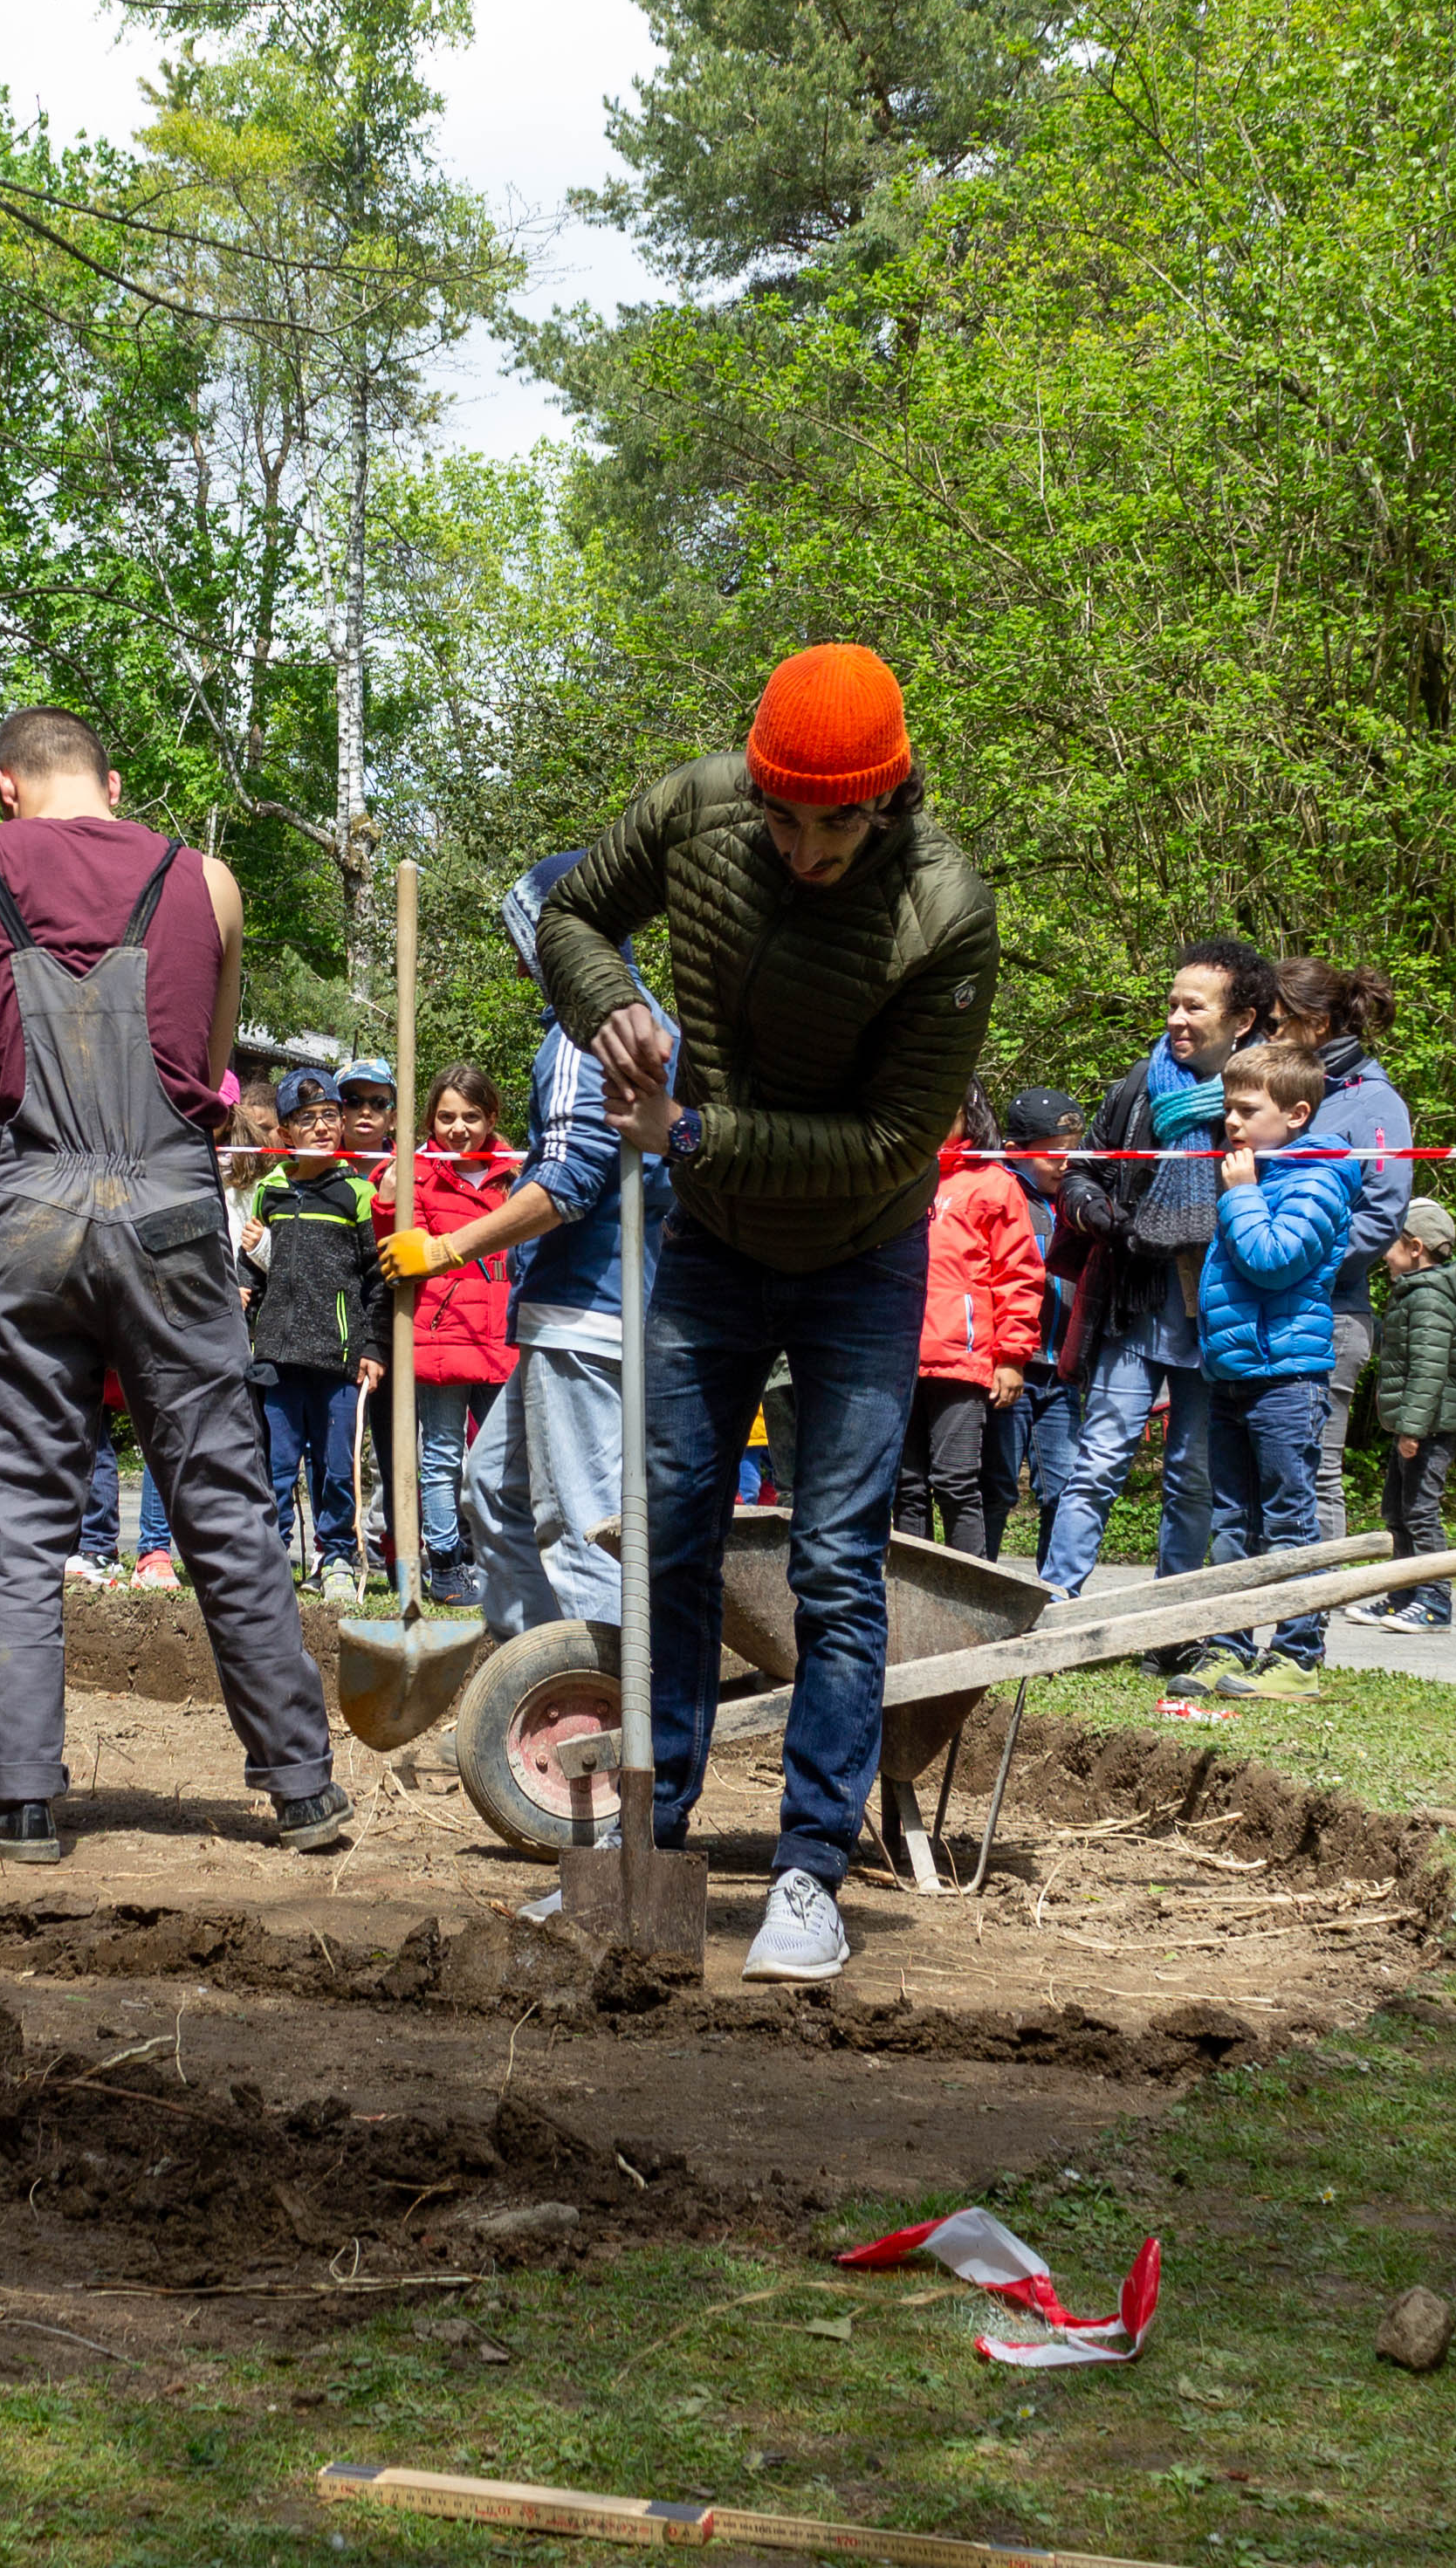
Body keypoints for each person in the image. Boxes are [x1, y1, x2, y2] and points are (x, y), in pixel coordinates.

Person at [536, 643, 998, 1982]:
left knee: (838, 1565)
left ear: (890, 800)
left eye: (836, 825)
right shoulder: (694, 808)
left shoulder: (944, 910)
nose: (805, 851)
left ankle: (807, 1875)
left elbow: (895, 1138)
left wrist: (690, 1130)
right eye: (784, 818)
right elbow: (569, 915)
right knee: (668, 1539)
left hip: (861, 1255)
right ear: (754, 781)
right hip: (714, 1247)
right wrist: (612, 999)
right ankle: (650, 1852)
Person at [0, 706, 348, 1864]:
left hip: (31, 1207)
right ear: (115, 778)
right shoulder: (211, 881)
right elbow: (206, 1062)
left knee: (22, 1512)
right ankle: (302, 1789)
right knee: (221, 1498)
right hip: (176, 1212)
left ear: (6, 787)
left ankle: (21, 1798)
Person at [405, 856, 670, 1638]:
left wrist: (447, 1250)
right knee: (495, 1490)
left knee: (581, 1523)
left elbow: (567, 1183)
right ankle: (525, 1684)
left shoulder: (581, 1037)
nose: (522, 965)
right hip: (609, 1312)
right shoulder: (651, 1021)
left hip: (585, 1315)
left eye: (530, 942)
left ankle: (603, 1725)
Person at [1039, 938, 1277, 1610]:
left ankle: (1170, 1617)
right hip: (1136, 1301)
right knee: (1097, 1461)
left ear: (1242, 1020)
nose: (1174, 1018)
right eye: (1170, 1003)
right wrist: (1097, 1214)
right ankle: (1054, 1600)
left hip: (1223, 1311)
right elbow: (1082, 1169)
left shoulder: (1265, 1094)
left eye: (1193, 1007)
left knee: (1191, 1475)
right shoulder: (1138, 1086)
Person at [1186, 1044, 1355, 1701]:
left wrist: (1242, 1195)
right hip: (1231, 1372)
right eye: (1228, 1107)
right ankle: (1228, 1645)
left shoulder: (1317, 1177)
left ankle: (1296, 1657)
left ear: (1296, 1113)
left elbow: (1272, 1260)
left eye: (1247, 1109)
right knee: (1230, 1519)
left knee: (1288, 1520)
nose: (1231, 1120)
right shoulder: (1254, 1173)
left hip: (1286, 1377)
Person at [1266, 960, 1411, 1540]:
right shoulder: (1281, 1091)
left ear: (1317, 1023)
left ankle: (1309, 1625)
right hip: (1265, 1313)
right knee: (1265, 1477)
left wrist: (1293, 1266)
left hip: (1331, 1314)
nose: (1265, 1036)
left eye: (1276, 1025)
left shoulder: (1374, 1102)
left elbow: (1381, 1215)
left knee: (1315, 1475)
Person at [240, 1067, 391, 1592]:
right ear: (285, 1134)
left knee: (337, 1469)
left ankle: (338, 1560)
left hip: (341, 1358)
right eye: (307, 1119)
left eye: (331, 1114)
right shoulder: (270, 1192)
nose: (323, 1126)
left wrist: (373, 1345)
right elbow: (251, 1264)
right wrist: (244, 1287)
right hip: (277, 1355)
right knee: (276, 1466)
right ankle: (270, 1558)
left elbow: (378, 1278)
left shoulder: (357, 1193)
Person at [891, 1084, 1041, 1558]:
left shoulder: (995, 1183)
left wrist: (1012, 1357)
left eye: (946, 1111)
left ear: (969, 1115)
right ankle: (912, 1605)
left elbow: (1019, 1274)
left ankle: (969, 1599)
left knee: (956, 1481)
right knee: (906, 1489)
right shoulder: (898, 1178)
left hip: (963, 1361)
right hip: (895, 1360)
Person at [395, 1062, 517, 1608]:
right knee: (442, 1454)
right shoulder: (416, 1172)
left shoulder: (515, 1173)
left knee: (507, 1458)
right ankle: (445, 1566)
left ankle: (504, 1563)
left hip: (503, 1332)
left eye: (471, 1116)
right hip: (443, 1332)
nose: (458, 1128)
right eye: (446, 1117)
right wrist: (389, 1194)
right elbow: (397, 1241)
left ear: (491, 1118)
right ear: (430, 1120)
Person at [1343, 1198, 1456, 1631]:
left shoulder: (1430, 1301)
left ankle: (1436, 1601)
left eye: (1390, 1243)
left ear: (1415, 1247)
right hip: (1416, 1425)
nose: (1383, 1252)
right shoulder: (1412, 1295)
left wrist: (1412, 1429)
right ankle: (1401, 1597)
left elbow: (1429, 1371)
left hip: (1429, 1427)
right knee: (1397, 1512)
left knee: (1420, 1512)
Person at [994, 1089, 1083, 1561]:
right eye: (1053, 1152)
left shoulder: (1079, 1201)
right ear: (1016, 1153)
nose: (1066, 1163)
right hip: (1011, 1369)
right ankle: (982, 1582)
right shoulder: (1000, 1196)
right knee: (997, 1487)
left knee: (1066, 1489)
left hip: (1062, 1375)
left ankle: (1052, 1592)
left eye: (1074, 1148)